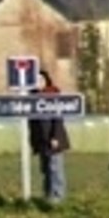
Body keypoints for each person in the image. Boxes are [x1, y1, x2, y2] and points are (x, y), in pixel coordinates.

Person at [28, 69, 71, 203]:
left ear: (46, 81)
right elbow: (32, 124)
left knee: (55, 168)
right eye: (36, 80)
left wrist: (55, 137)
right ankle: (48, 195)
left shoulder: (52, 96)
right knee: (45, 169)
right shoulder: (31, 99)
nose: (39, 83)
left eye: (41, 80)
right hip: (42, 140)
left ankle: (58, 197)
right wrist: (34, 142)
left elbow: (58, 120)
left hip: (53, 140)